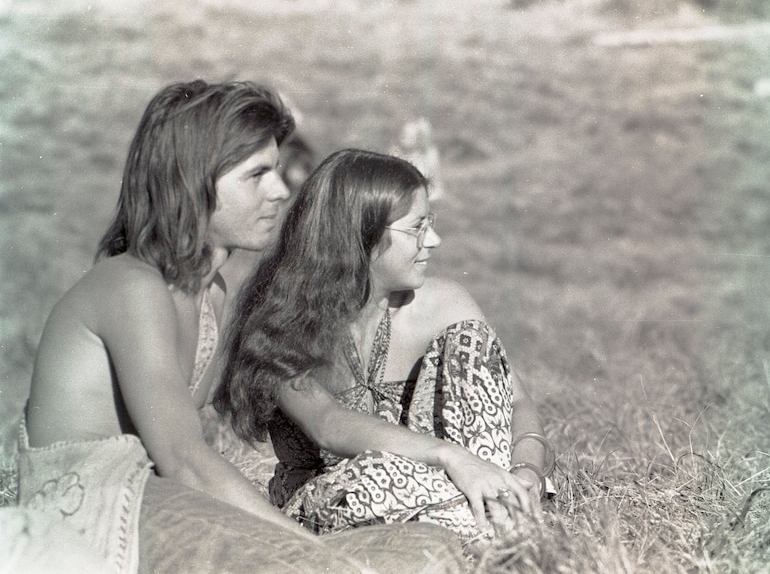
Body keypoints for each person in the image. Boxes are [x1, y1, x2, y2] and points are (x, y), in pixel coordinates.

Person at [16, 81, 462, 574]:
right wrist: (315, 553)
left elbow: (311, 414)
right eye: (257, 175)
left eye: (276, 170)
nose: (281, 189)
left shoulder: (210, 293)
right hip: (97, 511)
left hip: (159, 499)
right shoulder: (131, 285)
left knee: (427, 547)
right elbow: (186, 461)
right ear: (194, 183)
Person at [215, 148, 555, 545]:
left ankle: (500, 509)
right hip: (348, 498)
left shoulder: (447, 304)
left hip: (462, 484)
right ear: (360, 235)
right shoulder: (282, 325)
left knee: (470, 338)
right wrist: (451, 457)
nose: (434, 240)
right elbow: (328, 425)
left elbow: (515, 403)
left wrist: (526, 472)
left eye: (432, 223)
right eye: (417, 228)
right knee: (372, 474)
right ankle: (497, 523)